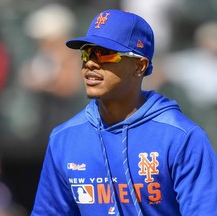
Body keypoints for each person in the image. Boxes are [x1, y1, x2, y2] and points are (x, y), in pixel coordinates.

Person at [31, 9, 217, 216]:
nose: (91, 63)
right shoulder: (64, 138)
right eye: (87, 52)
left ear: (139, 66)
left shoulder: (181, 137)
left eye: (105, 54)